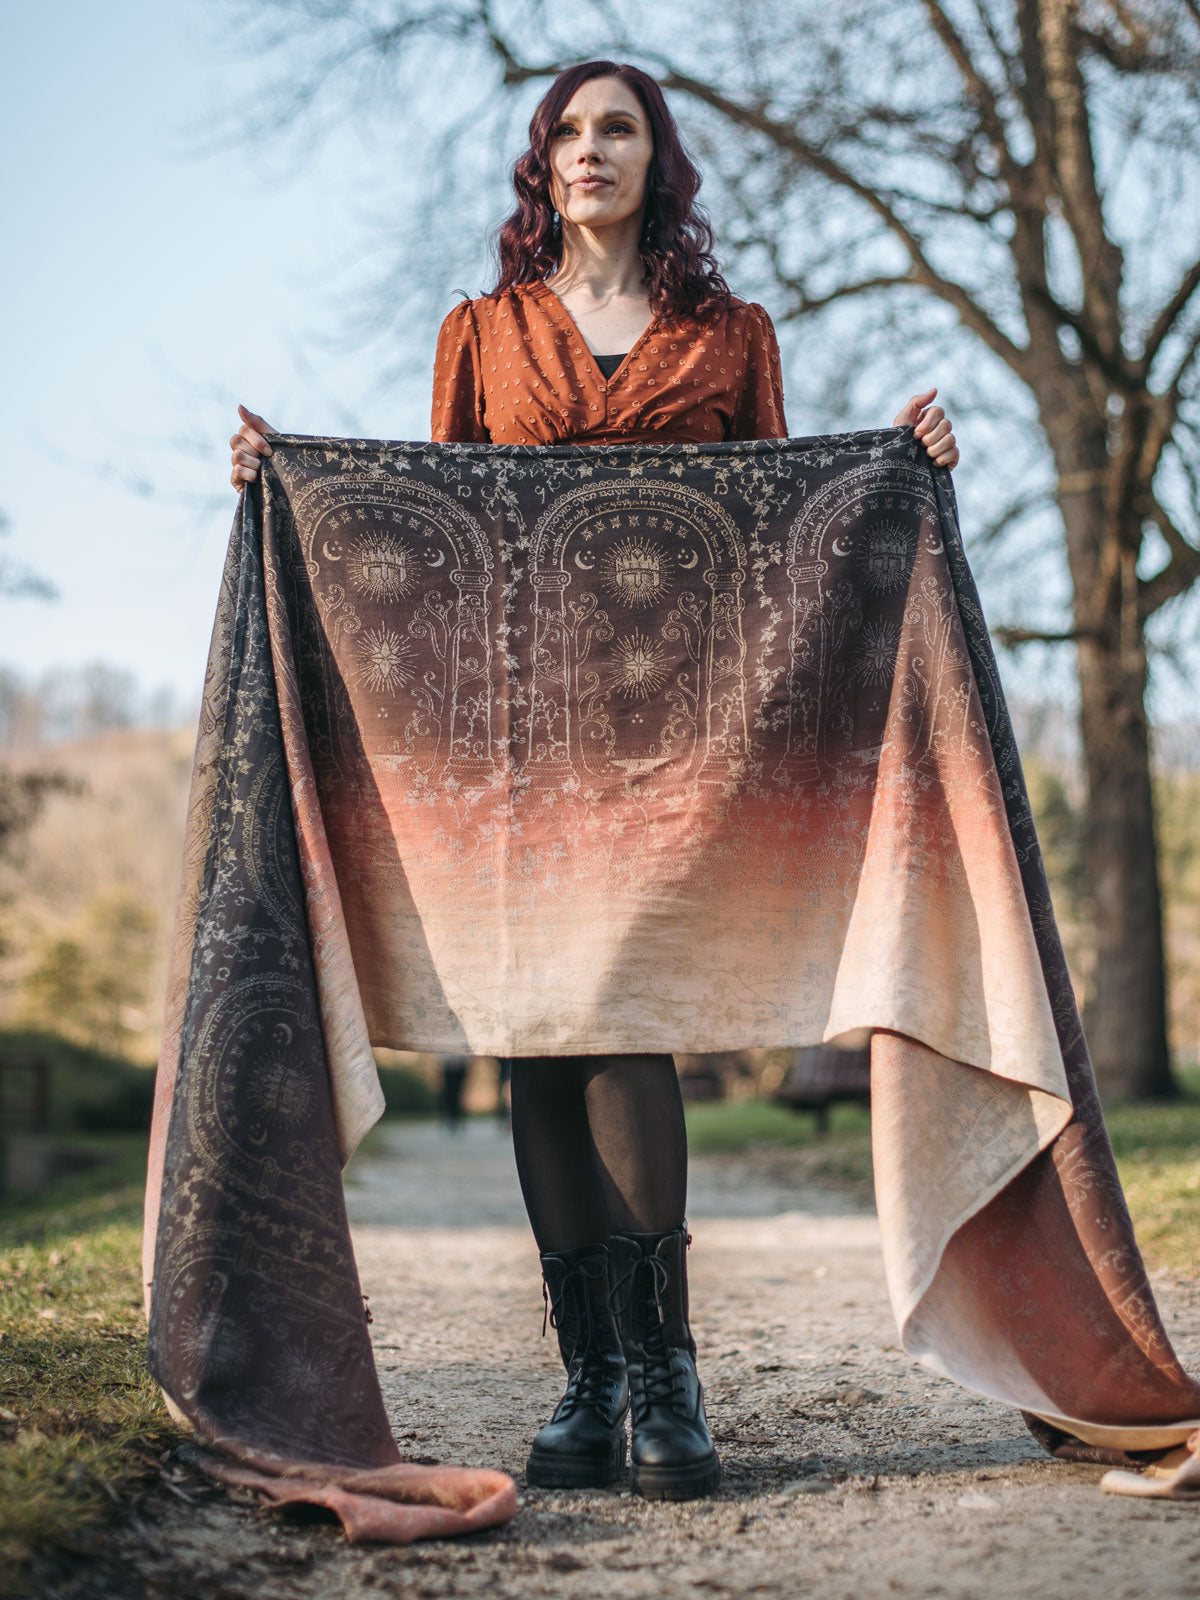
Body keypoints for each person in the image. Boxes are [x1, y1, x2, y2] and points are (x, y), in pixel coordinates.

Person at [228, 59, 959, 1503]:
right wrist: (288, 479)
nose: (589, 150)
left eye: (615, 127)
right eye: (566, 131)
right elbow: (420, 535)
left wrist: (901, 463)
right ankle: (592, 1376)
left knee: (625, 1018)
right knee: (540, 1036)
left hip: (678, 749)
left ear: (654, 158)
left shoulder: (731, 332)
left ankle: (668, 1373)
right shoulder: (481, 330)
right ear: (539, 165)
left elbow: (787, 527)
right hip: (517, 750)